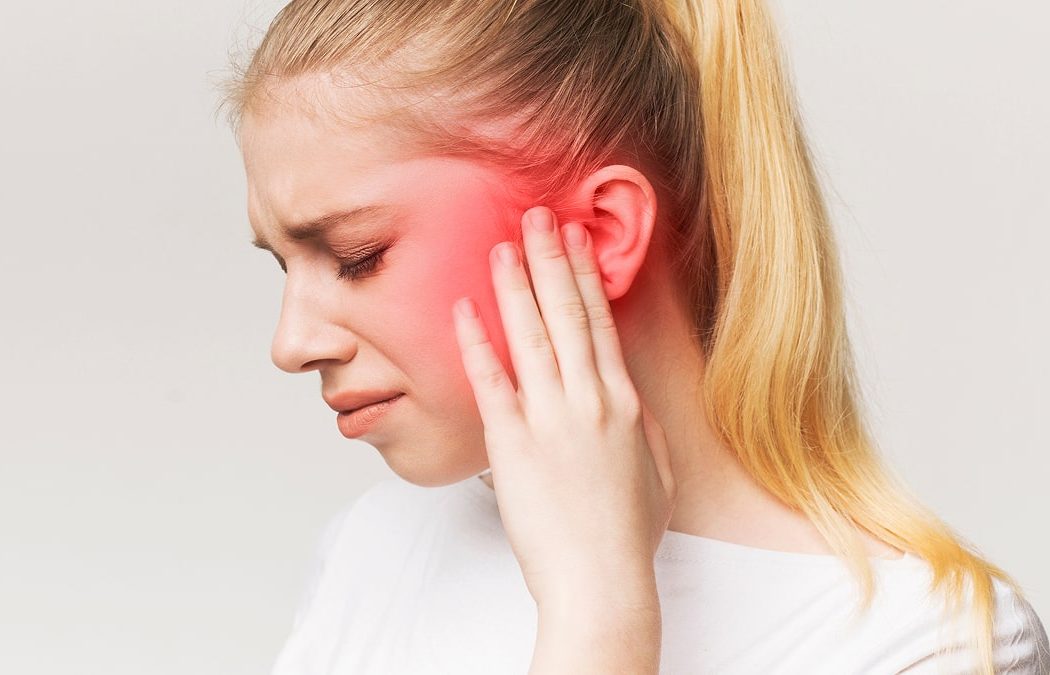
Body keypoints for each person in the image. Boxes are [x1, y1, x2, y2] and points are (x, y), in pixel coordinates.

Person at [217, 0, 1049, 672]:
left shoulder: (928, 644)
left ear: (605, 232)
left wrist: (600, 617)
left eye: (357, 257)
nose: (290, 343)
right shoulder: (378, 545)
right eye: (282, 265)